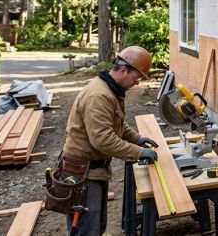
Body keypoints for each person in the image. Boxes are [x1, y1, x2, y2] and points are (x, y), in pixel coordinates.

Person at [61, 46, 159, 235]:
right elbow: (103, 140)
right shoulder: (99, 95)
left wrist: (137, 139)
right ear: (123, 70)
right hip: (83, 174)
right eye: (135, 79)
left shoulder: (111, 90)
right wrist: (139, 152)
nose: (135, 84)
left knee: (96, 226)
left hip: (94, 170)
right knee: (87, 230)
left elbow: (116, 125)